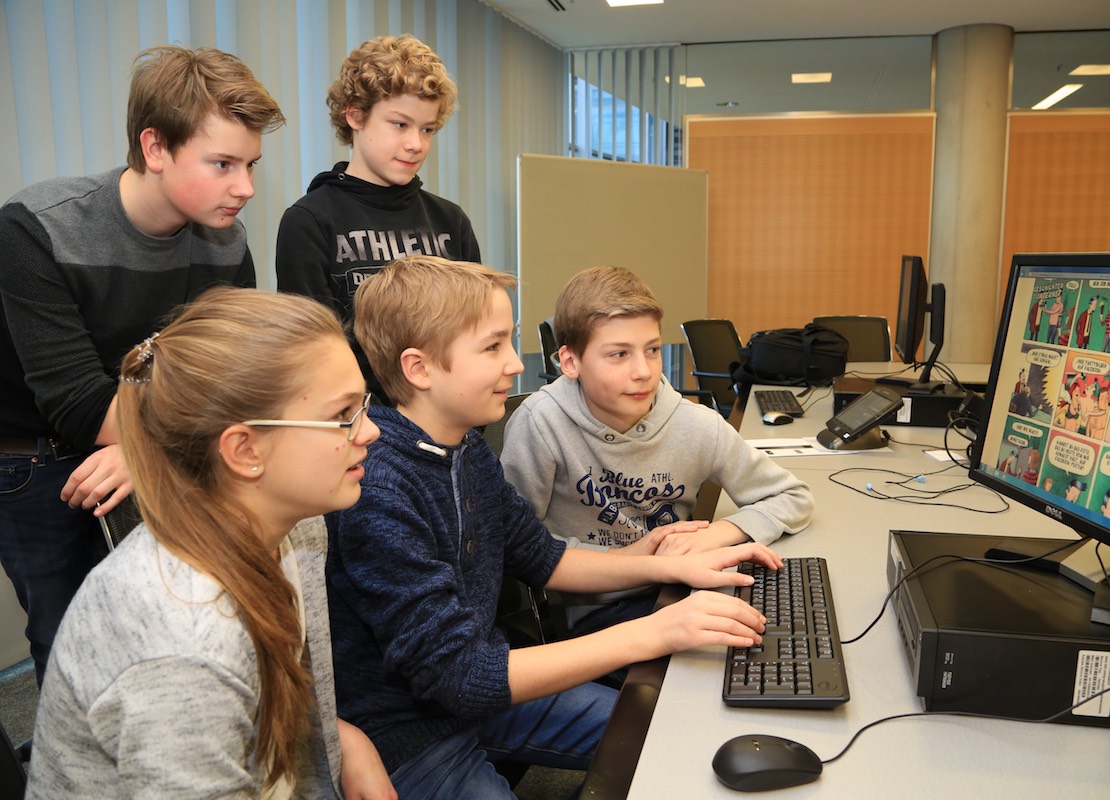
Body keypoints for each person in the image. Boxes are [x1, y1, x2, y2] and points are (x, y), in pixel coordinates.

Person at [326, 255, 780, 798]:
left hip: (485, 694)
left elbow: (545, 557)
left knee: (672, 737)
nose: (516, 365)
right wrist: (654, 631)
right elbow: (463, 677)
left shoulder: (465, 447)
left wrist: (665, 560)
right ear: (420, 369)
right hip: (412, 732)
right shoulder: (378, 488)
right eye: (492, 347)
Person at [28, 288, 394, 799]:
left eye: (364, 406)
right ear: (244, 450)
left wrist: (340, 737)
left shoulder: (296, 528)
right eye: (343, 415)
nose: (371, 431)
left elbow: (281, 700)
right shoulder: (187, 641)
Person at [0, 45, 284, 684]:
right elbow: (75, 402)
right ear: (155, 148)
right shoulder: (36, 229)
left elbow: (232, 376)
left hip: (148, 438)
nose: (245, 188)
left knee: (169, 624)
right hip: (37, 461)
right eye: (223, 164)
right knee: (74, 640)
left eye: (251, 164)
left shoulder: (225, 241)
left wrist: (143, 447)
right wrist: (158, 437)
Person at [501, 265, 814, 633]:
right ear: (570, 362)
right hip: (587, 608)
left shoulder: (696, 424)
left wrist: (713, 536)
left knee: (781, 629)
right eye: (619, 354)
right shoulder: (540, 425)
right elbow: (517, 545)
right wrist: (631, 559)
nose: (643, 372)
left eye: (652, 350)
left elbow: (792, 496)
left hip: (677, 585)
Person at [276, 34, 479, 400]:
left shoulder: (451, 222)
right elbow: (312, 354)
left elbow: (475, 338)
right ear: (354, 115)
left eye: (427, 129)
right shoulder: (309, 222)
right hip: (361, 426)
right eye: (400, 124)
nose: (416, 144)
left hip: (449, 421)